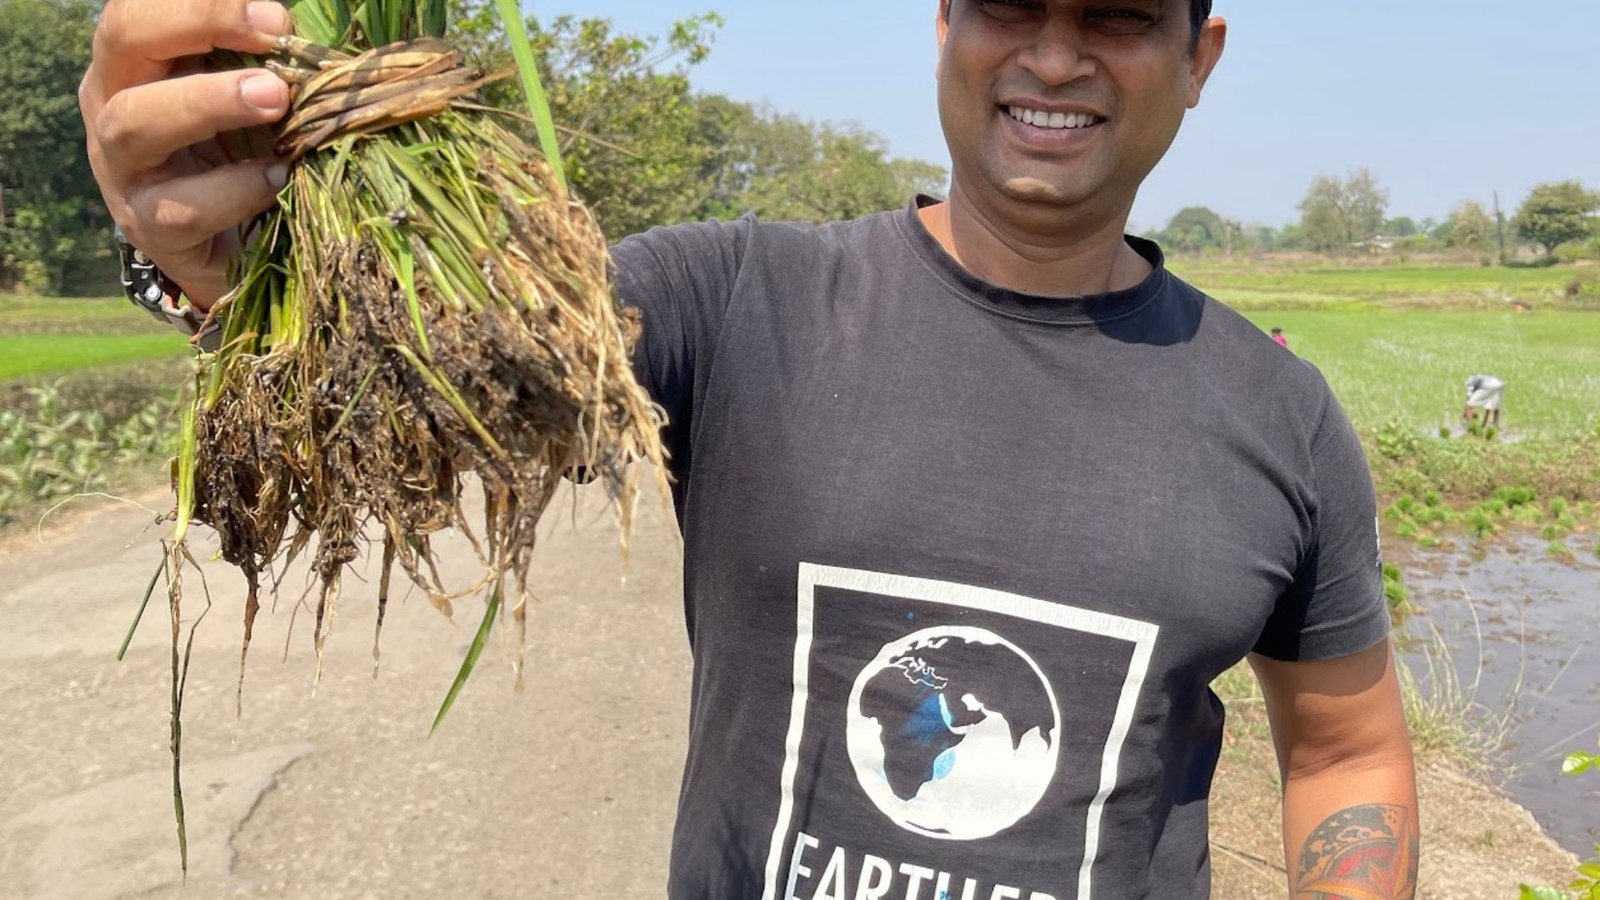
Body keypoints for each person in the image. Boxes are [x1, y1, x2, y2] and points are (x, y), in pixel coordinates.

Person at [78, 2, 1419, 897]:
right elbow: (429, 375)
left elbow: (1349, 752)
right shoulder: (733, 300)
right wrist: (213, 264)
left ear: (1201, 57)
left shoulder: (1274, 410)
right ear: (944, 22)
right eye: (1010, 0)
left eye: (1118, 15)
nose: (1056, 57)